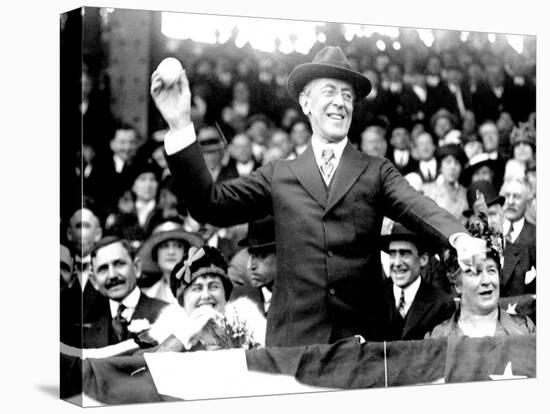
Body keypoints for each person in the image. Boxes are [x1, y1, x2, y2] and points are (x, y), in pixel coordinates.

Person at [151, 46, 485, 347]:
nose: (340, 102)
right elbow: (211, 205)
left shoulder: (376, 171)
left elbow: (417, 206)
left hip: (362, 345)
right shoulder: (279, 174)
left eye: (347, 95)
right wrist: (180, 126)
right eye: (329, 92)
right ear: (306, 103)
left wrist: (459, 237)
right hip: (293, 345)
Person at [425, 211, 535, 338]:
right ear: (457, 284)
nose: (486, 281)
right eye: (475, 273)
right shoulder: (437, 338)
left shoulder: (525, 330)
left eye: (491, 270)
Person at [147, 246, 265, 352]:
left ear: (225, 295)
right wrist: (185, 334)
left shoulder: (248, 325)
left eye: (214, 286)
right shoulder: (165, 331)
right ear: (183, 301)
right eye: (197, 289)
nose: (206, 295)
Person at [85, 236, 170, 348]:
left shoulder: (168, 315)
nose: (112, 275)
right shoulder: (89, 336)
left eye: (119, 264)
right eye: (103, 268)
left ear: (136, 267)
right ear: (94, 280)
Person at [381, 223, 455, 340]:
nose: (397, 263)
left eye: (404, 254)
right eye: (392, 254)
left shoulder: (441, 304)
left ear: (423, 259)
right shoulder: (373, 298)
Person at [138, 220, 204, 303]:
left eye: (178, 246)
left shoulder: (202, 288)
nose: (171, 252)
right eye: (165, 246)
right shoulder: (149, 296)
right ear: (156, 255)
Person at [231, 216, 277, 315]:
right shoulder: (240, 300)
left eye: (262, 255)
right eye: (252, 255)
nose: (251, 266)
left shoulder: (299, 299)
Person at [500, 178, 536, 297]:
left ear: (528, 201)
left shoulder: (536, 237)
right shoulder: (489, 232)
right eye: (506, 196)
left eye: (517, 197)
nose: (510, 202)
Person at [422, 144, 468, 220]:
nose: (453, 167)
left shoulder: (465, 193)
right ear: (440, 166)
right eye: (448, 162)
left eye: (457, 163)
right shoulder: (426, 191)